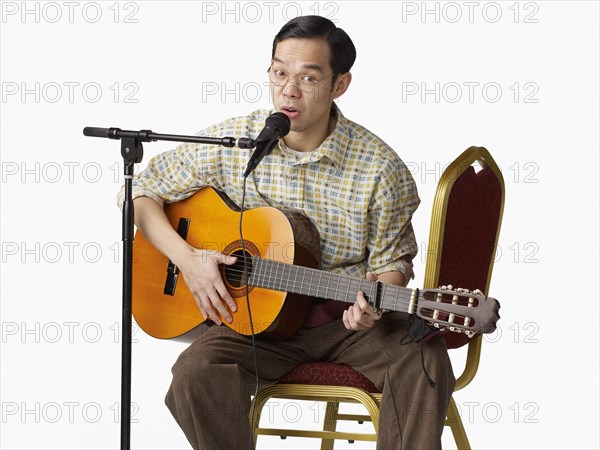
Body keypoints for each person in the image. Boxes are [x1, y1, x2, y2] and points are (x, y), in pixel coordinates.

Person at [125, 15, 454, 450]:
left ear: (340, 85)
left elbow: (393, 263)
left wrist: (373, 302)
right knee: (195, 372)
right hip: (257, 324)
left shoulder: (381, 169)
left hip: (347, 324)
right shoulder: (238, 140)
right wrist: (188, 259)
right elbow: (143, 191)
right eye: (279, 73)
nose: (288, 90)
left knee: (424, 358)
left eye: (308, 77)